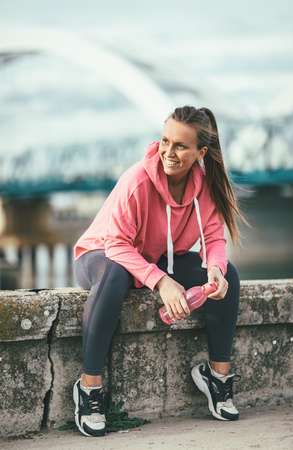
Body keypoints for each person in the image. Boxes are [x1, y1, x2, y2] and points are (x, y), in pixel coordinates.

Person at [72, 105, 246, 437]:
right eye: (165, 140)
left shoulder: (205, 186)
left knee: (230, 276)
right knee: (114, 273)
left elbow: (213, 238)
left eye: (180, 145)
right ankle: (89, 387)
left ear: (201, 153)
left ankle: (217, 376)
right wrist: (162, 282)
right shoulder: (137, 180)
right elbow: (117, 245)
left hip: (154, 258)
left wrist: (216, 269)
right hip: (100, 255)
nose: (168, 151)